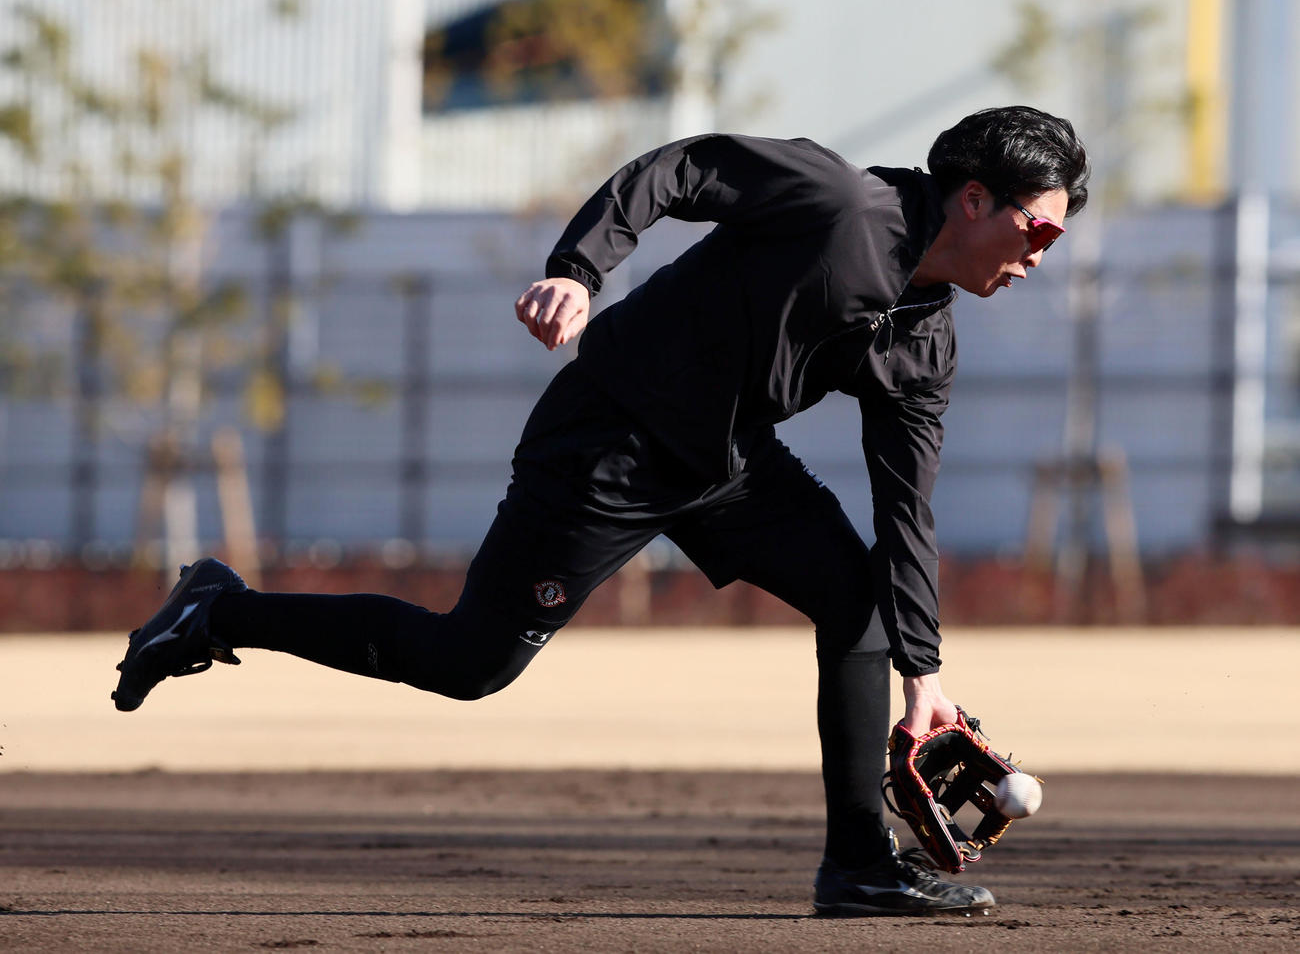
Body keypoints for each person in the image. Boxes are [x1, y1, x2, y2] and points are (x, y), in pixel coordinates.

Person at [112, 105, 1088, 917]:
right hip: (611, 436)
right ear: (972, 201)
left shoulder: (924, 346)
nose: (1040, 255)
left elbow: (904, 512)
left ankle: (860, 869)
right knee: (469, 664)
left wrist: (923, 678)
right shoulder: (837, 202)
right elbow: (673, 171)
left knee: (858, 602)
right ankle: (218, 609)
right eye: (1037, 230)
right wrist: (579, 268)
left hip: (725, 461)